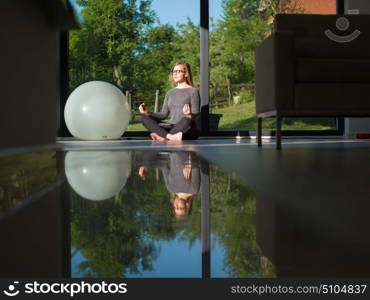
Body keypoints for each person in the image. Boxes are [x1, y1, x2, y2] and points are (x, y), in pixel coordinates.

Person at [139, 61, 200, 141]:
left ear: (186, 74)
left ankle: (163, 137)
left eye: (178, 71)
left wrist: (189, 114)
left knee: (187, 118)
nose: (175, 74)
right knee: (145, 118)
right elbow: (163, 115)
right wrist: (147, 112)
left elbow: (196, 114)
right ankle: (170, 137)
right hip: (172, 127)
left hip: (187, 128)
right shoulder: (170, 93)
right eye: (174, 71)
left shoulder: (193, 91)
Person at [138, 151, 200, 219]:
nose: (176, 205)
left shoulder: (171, 188)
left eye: (175, 207)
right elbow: (195, 162)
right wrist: (189, 164)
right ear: (187, 206)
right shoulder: (194, 189)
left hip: (170, 148)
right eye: (180, 208)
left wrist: (147, 166)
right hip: (184, 148)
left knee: (146, 158)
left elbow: (163, 164)